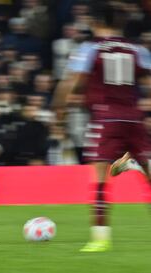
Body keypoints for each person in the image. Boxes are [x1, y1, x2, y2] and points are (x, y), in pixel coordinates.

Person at [52, 7, 151, 252]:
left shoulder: (90, 48)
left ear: (97, 23)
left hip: (105, 118)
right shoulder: (138, 50)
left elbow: (72, 83)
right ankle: (133, 163)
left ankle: (100, 239)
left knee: (99, 180)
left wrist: (59, 112)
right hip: (134, 118)